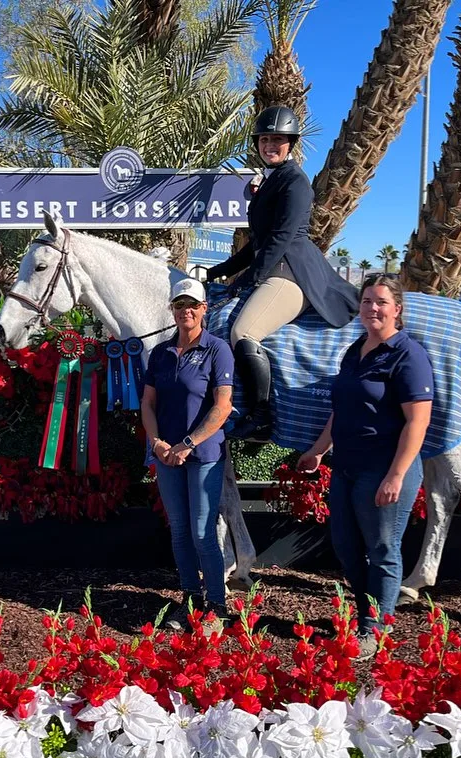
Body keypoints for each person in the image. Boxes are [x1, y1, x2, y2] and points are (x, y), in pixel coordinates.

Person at [297, 275, 433, 660]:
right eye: (367, 301)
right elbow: (341, 409)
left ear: (397, 309)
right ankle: (364, 617)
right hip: (347, 468)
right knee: (345, 547)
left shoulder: (408, 355)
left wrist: (396, 475)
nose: (373, 308)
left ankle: (376, 630)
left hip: (384, 468)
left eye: (381, 302)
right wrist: (319, 450)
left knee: (383, 550)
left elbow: (417, 423)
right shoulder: (356, 350)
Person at [205, 105, 359, 441]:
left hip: (292, 273)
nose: (270, 145)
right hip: (275, 264)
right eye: (265, 139)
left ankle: (261, 416)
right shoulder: (273, 180)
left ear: (290, 143)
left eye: (278, 140)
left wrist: (249, 278)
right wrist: (219, 271)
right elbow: (257, 242)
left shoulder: (296, 182)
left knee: (244, 332)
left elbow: (281, 238)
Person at [141, 277, 235, 624]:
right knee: (179, 530)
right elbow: (148, 404)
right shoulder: (161, 353)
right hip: (167, 457)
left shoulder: (216, 349)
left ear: (204, 309)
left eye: (193, 304)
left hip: (203, 456)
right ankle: (191, 599)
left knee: (201, 531)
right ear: (172, 309)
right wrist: (157, 443)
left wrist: (187, 444)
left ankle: (217, 605)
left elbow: (222, 407)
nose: (187, 311)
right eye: (180, 305)